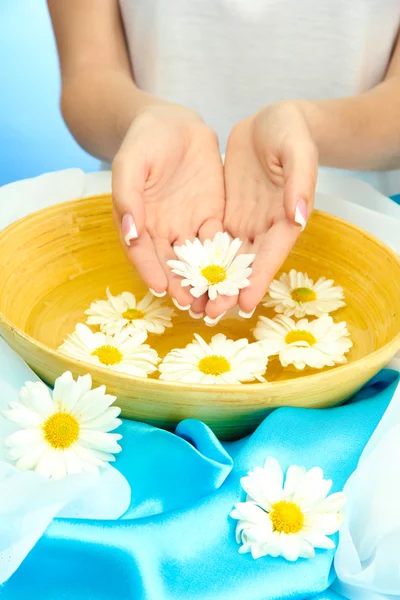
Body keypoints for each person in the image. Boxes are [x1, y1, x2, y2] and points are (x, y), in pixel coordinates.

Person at [47, 0, 400, 323]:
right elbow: (87, 75)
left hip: (368, 234)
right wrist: (144, 118)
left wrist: (309, 126)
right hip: (152, 218)